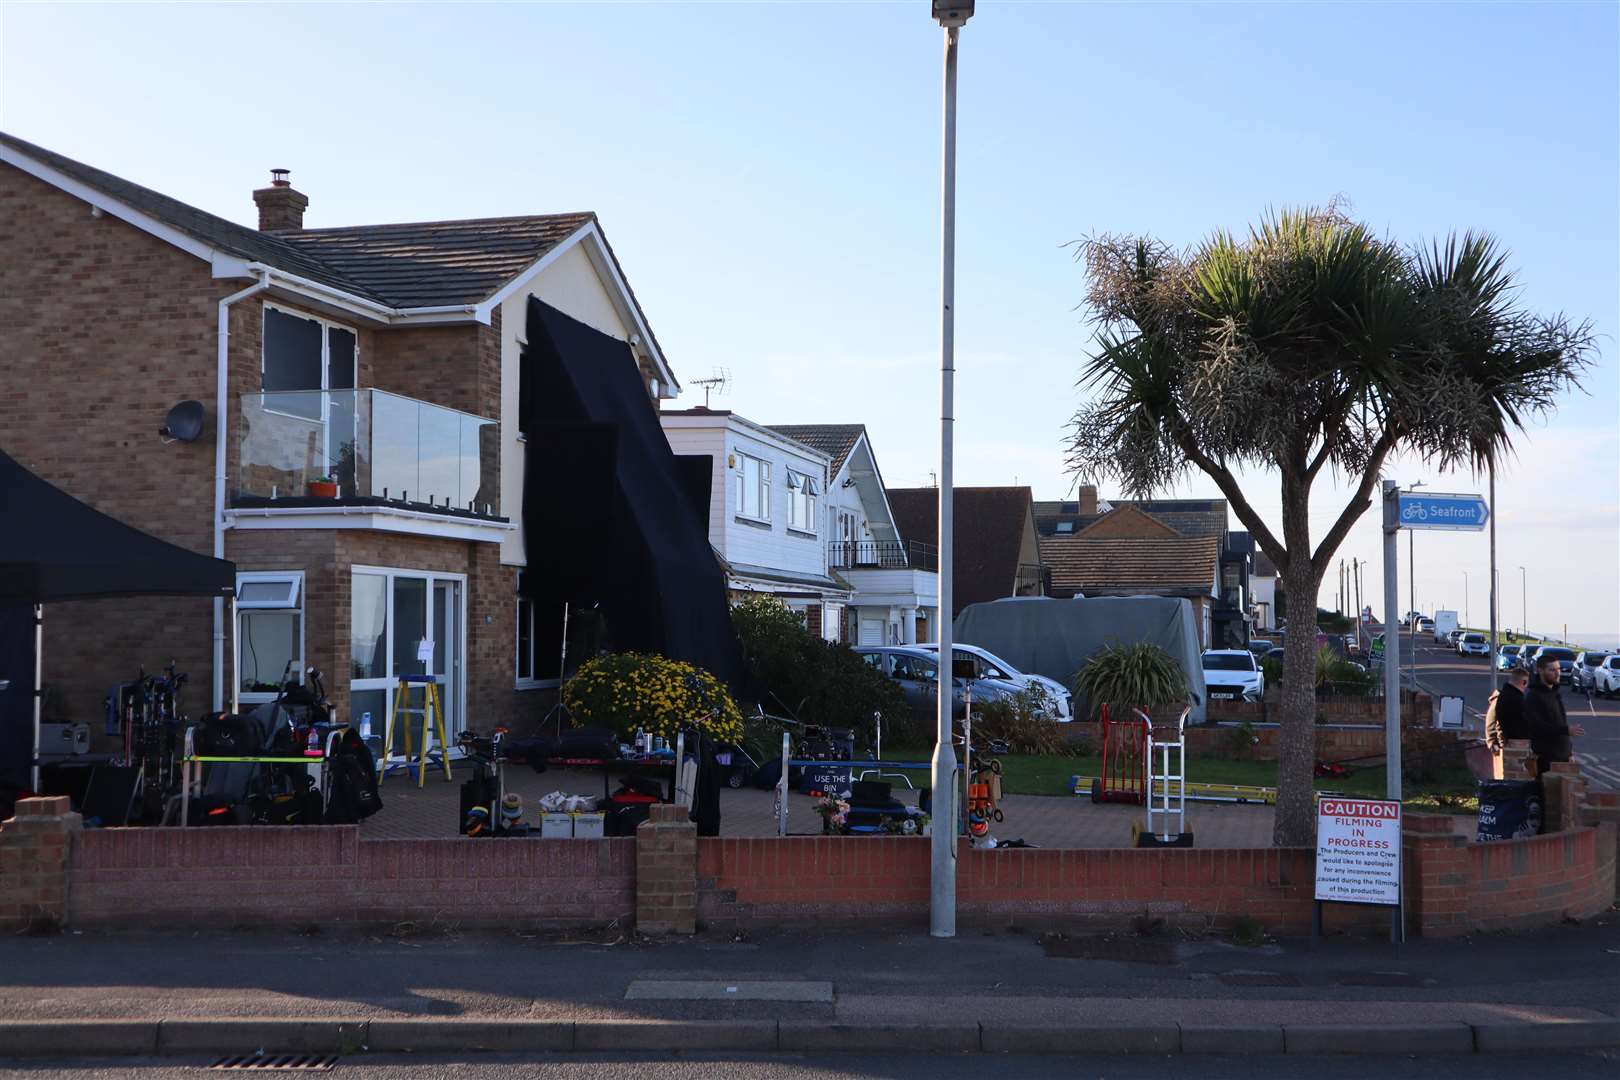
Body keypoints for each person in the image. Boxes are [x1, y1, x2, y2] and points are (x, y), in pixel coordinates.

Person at [1524, 653, 1585, 775]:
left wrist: (1569, 752)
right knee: (1548, 792)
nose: (1558, 673)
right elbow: (1537, 727)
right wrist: (1565, 730)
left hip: (1562, 756)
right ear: (1540, 671)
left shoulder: (1554, 692)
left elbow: (1560, 722)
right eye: (1552, 670)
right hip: (1546, 758)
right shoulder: (1533, 696)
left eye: (1559, 669)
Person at [1484, 668, 1531, 751]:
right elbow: (1491, 721)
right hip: (1507, 745)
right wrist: (1493, 745)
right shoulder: (1503, 697)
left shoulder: (1513, 697)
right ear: (1524, 682)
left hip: (1514, 745)